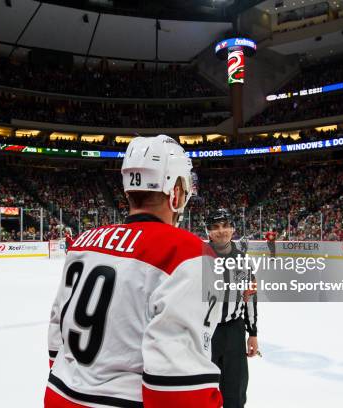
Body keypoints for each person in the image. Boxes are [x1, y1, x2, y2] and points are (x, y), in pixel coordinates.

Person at [45, 135, 223, 407]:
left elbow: (57, 330)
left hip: (60, 395)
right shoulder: (188, 252)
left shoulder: (84, 241)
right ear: (175, 192)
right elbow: (174, 378)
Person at [207, 208, 259, 407]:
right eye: (216, 227)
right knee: (201, 388)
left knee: (235, 391)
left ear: (233, 229)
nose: (222, 231)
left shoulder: (243, 262)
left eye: (226, 226)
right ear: (208, 232)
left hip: (233, 332)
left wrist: (252, 333)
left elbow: (250, 298)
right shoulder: (197, 258)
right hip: (204, 332)